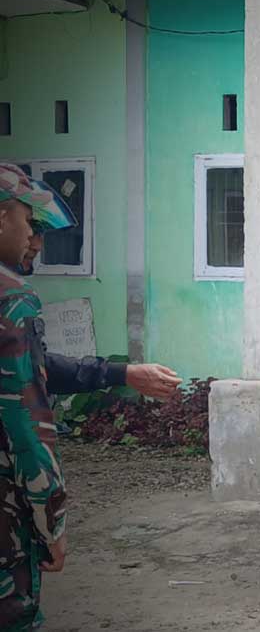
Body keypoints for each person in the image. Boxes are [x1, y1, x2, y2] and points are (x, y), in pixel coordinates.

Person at [0, 163, 77, 629]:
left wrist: (119, 371)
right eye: (30, 223)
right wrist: (51, 518)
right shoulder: (11, 299)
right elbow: (26, 419)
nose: (36, 238)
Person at [16, 223, 181, 399]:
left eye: (40, 234)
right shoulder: (11, 297)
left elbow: (37, 368)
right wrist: (123, 374)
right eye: (29, 225)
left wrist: (124, 374)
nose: (37, 245)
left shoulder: (17, 291)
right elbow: (34, 368)